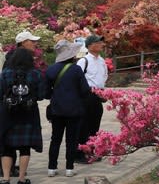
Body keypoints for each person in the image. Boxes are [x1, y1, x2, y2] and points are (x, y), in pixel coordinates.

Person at [44, 40, 91, 178]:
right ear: (71, 55)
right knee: (71, 139)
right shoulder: (76, 69)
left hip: (56, 109)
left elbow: (46, 93)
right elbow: (85, 90)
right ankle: (69, 168)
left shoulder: (51, 69)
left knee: (55, 139)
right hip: (74, 110)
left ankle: (52, 167)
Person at [0, 48, 44, 184]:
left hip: (8, 114)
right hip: (28, 114)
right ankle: (22, 179)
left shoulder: (6, 73)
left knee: (6, 147)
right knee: (25, 147)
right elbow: (41, 95)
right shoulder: (35, 73)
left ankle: (6, 178)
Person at [75, 34, 108, 163]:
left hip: (98, 95)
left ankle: (92, 150)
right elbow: (77, 78)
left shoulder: (102, 61)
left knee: (95, 125)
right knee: (84, 125)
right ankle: (80, 153)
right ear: (90, 45)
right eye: (98, 42)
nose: (101, 44)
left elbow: (104, 76)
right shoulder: (84, 61)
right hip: (86, 95)